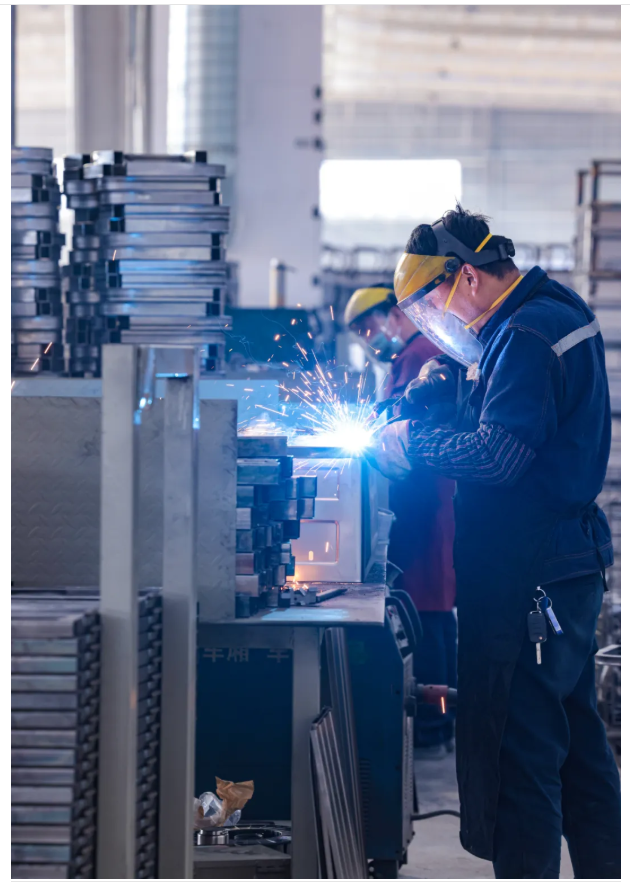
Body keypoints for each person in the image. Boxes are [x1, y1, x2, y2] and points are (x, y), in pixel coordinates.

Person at [371, 206, 621, 879]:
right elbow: (513, 410)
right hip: (563, 569)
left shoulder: (527, 336)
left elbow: (499, 455)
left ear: (468, 277)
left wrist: (412, 442)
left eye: (432, 307)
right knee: (579, 748)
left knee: (521, 752)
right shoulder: (548, 311)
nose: (437, 323)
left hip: (530, 577)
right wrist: (433, 395)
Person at [344, 285, 457, 754]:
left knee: (426, 610)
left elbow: (404, 429)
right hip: (422, 500)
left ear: (394, 313)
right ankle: (439, 725)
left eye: (368, 328)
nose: (368, 340)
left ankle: (433, 727)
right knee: (432, 611)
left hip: (423, 502)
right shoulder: (410, 356)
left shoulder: (418, 356)